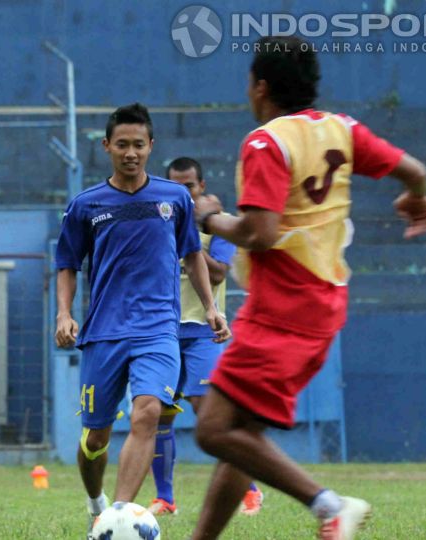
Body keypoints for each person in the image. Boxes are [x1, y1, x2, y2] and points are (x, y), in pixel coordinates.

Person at [190, 36, 426, 540]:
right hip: (323, 306)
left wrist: (211, 219)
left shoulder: (267, 142)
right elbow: (417, 171)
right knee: (243, 435)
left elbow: (260, 233)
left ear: (260, 87)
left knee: (213, 429)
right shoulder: (341, 131)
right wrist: (417, 199)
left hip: (283, 307)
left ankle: (329, 505)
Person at [53, 103, 231, 533]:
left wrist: (210, 306)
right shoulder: (86, 205)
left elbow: (192, 254)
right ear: (107, 147)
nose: (130, 152)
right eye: (121, 145)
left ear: (151, 146)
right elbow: (67, 264)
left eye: (138, 144)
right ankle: (97, 502)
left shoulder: (173, 199)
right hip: (104, 333)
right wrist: (63, 313)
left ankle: (119, 518)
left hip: (158, 329)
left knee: (148, 411)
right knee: (95, 438)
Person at [147, 157, 263, 517]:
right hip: (164, 330)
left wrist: (189, 241)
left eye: (190, 186)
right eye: (176, 186)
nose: (183, 192)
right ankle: (165, 498)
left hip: (203, 331)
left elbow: (218, 274)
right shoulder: (158, 221)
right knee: (157, 413)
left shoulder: (218, 224)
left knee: (207, 412)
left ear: (202, 186)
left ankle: (251, 486)